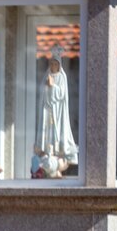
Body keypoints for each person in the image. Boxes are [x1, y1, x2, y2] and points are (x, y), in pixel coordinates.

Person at [33, 44, 79, 174]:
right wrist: (46, 86)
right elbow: (42, 93)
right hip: (47, 112)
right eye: (51, 64)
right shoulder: (47, 76)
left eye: (55, 64)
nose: (53, 66)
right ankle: (47, 152)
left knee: (57, 134)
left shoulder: (61, 77)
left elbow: (61, 94)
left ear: (59, 66)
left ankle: (57, 154)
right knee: (47, 134)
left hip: (58, 113)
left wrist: (53, 86)